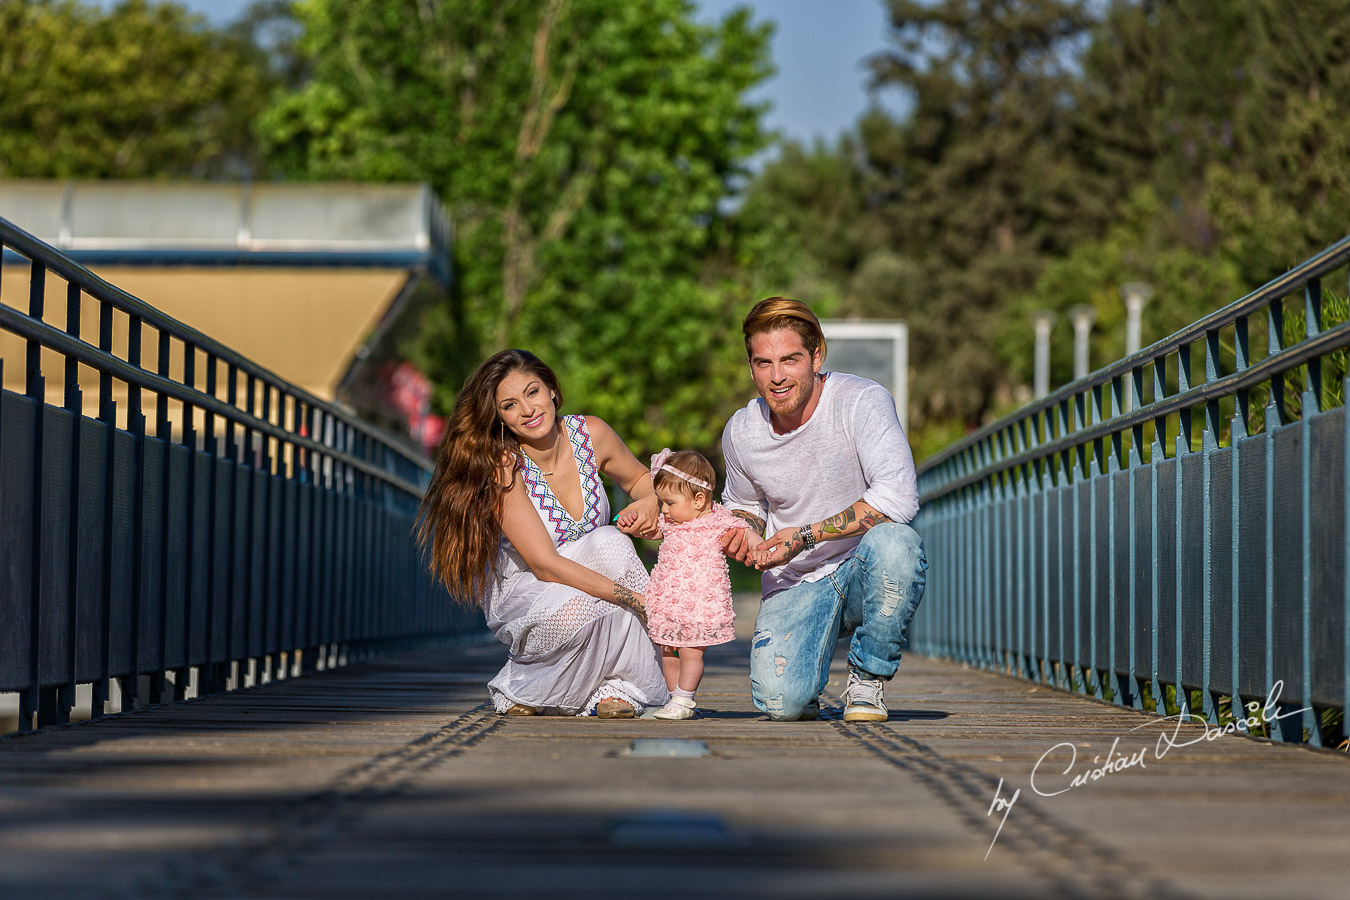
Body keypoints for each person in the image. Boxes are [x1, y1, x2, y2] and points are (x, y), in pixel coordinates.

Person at [418, 349, 669, 718]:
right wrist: (633, 598)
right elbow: (544, 563)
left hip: (590, 575)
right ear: (499, 416)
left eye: (533, 392)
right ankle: (522, 685)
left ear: (551, 389)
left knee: (611, 544)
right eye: (509, 404)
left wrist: (648, 502)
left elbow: (640, 480)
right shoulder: (504, 463)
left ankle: (619, 688)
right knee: (594, 595)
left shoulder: (592, 433)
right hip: (529, 589)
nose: (527, 409)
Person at [720, 297, 928, 722]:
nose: (776, 377)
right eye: (763, 363)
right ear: (750, 365)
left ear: (817, 356)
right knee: (782, 704)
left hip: (860, 569)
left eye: (790, 360)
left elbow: (899, 498)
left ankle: (868, 675)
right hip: (794, 581)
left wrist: (803, 536)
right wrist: (746, 534)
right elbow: (742, 505)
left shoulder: (862, 401)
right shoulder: (741, 431)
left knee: (898, 544)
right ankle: (805, 671)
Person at [618, 449, 743, 720]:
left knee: (690, 653)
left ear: (699, 500)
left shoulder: (717, 522)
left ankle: (685, 698)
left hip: (697, 602)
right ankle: (675, 699)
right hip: (669, 600)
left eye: (669, 502)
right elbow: (648, 531)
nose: (663, 509)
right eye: (662, 502)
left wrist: (760, 549)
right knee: (668, 651)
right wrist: (632, 524)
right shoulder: (671, 522)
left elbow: (745, 533)